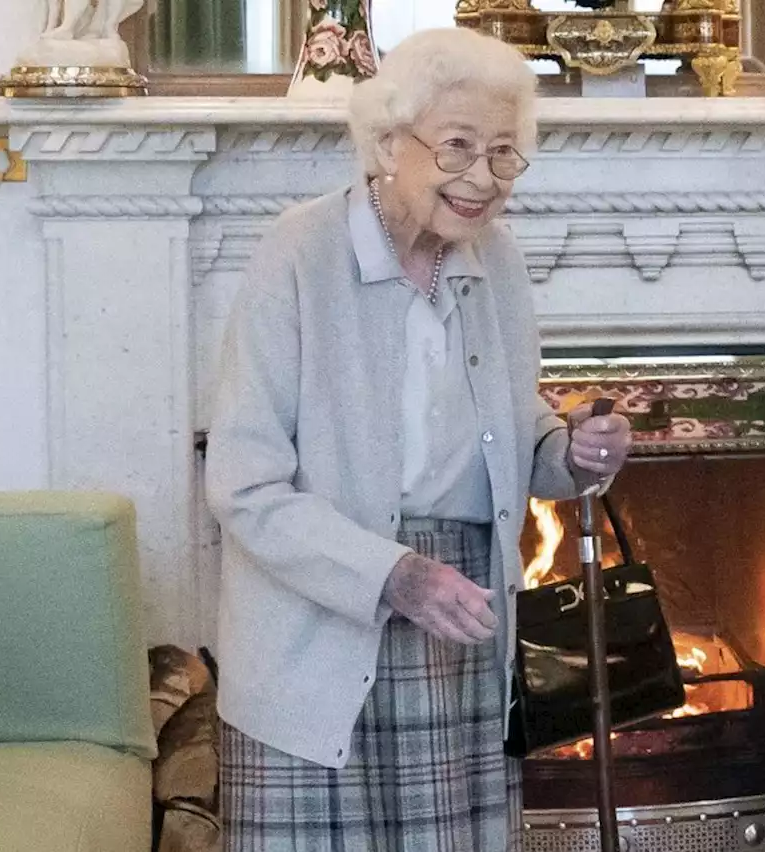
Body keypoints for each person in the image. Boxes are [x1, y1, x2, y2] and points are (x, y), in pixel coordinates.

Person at [204, 27, 632, 852]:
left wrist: (570, 453)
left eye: (504, 154)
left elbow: (514, 433)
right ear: (387, 144)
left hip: (459, 621)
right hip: (319, 630)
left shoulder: (495, 262)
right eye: (458, 147)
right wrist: (395, 575)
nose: (482, 179)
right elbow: (245, 485)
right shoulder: (299, 252)